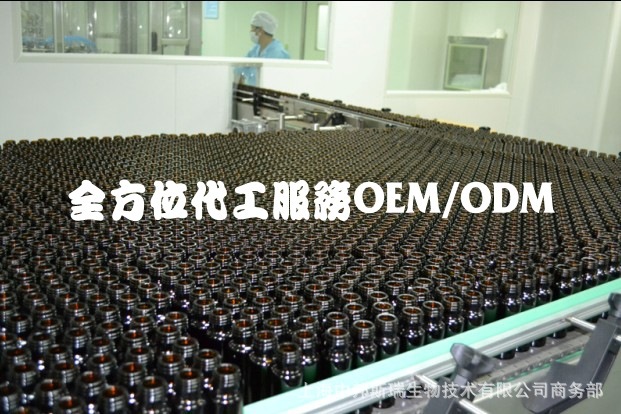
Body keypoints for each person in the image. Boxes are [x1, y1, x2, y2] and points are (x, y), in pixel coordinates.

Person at [236, 11, 290, 85]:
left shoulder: (279, 55)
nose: (250, 31)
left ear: (260, 30)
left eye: (252, 28)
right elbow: (240, 69)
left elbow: (280, 83)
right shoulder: (255, 50)